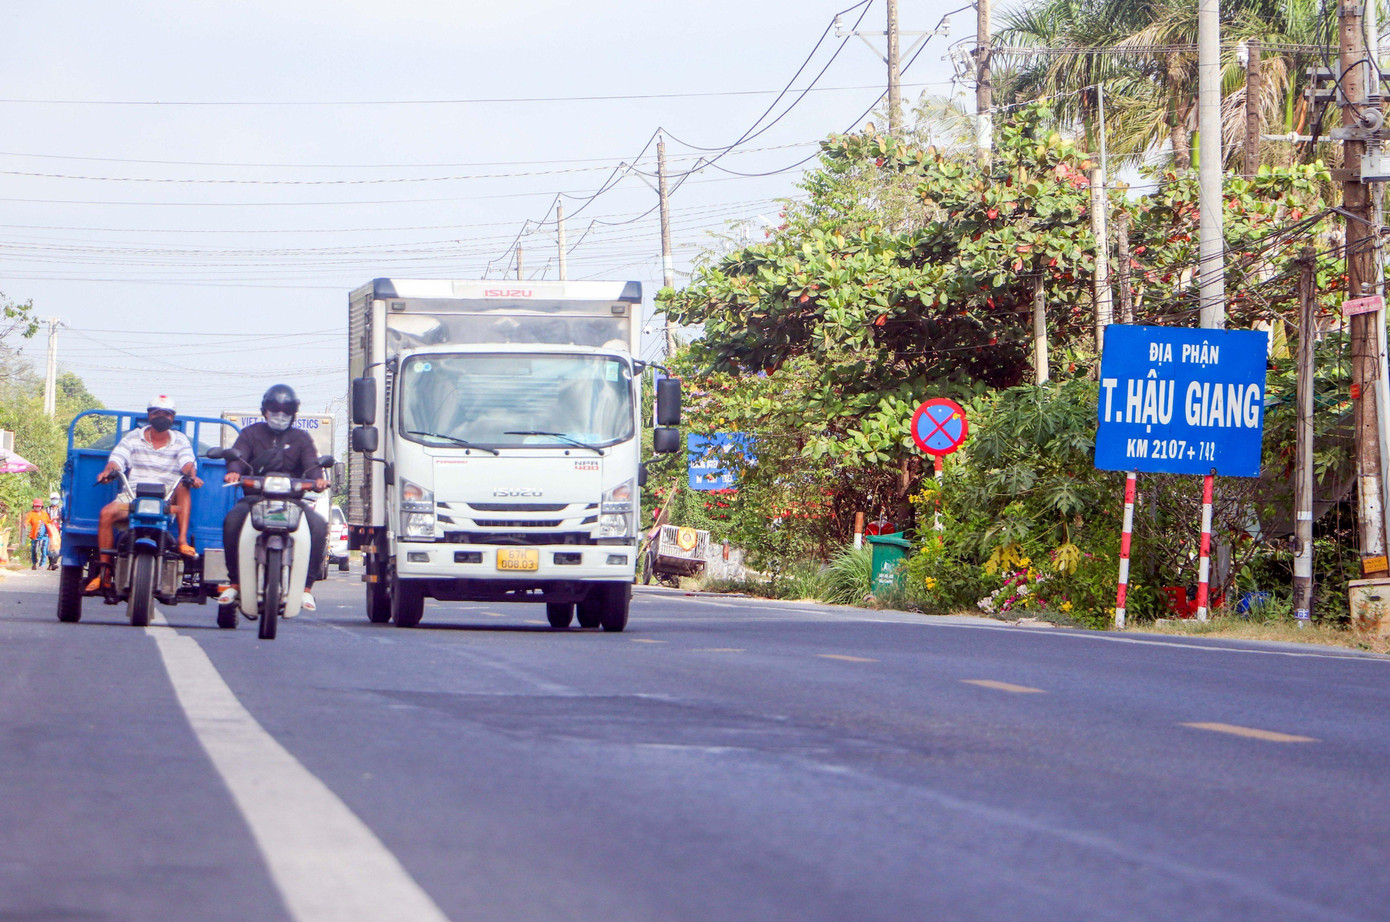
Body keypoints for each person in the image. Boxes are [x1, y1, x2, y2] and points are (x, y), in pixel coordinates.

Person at [218, 384, 328, 615]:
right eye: (274, 410)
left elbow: (312, 465)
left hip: (292, 503)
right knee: (232, 521)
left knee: (319, 525)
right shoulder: (250, 434)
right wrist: (235, 471)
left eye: (285, 411)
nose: (280, 415)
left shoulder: (302, 438)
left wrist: (318, 480)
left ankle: (306, 587)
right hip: (255, 500)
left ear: (293, 414)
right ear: (265, 411)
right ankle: (235, 582)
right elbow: (238, 456)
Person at [87, 395, 203, 592]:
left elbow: (187, 462)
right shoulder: (133, 437)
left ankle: (182, 542)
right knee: (106, 513)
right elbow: (117, 459)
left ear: (173, 418)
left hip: (166, 499)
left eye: (166, 414)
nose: (161, 417)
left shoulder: (180, 440)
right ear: (149, 415)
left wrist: (191, 475)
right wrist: (108, 471)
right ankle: (105, 571)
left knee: (184, 486)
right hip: (132, 497)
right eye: (157, 412)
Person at [23, 499, 52, 571]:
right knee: (34, 550)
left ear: (41, 506)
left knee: (44, 550)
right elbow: (27, 520)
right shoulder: (31, 513)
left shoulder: (44, 513)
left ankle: (42, 564)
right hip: (35, 536)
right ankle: (34, 563)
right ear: (33, 506)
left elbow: (48, 521)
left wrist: (53, 520)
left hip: (44, 536)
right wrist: (25, 524)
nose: (37, 508)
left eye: (39, 506)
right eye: (36, 506)